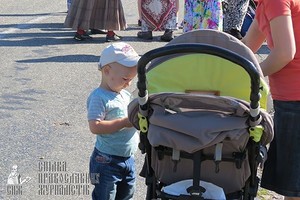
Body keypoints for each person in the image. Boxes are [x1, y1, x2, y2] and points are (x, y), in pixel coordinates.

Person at [242, 0, 300, 199]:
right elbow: (245, 49)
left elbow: (285, 53)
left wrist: (254, 75)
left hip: (295, 99)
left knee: (294, 188)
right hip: (290, 100)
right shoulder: (264, 6)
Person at [87, 42, 140, 200]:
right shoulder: (99, 97)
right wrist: (124, 122)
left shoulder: (124, 94)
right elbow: (95, 127)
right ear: (107, 71)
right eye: (125, 78)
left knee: (126, 195)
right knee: (105, 196)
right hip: (105, 161)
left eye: (131, 79)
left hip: (128, 158)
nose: (128, 83)